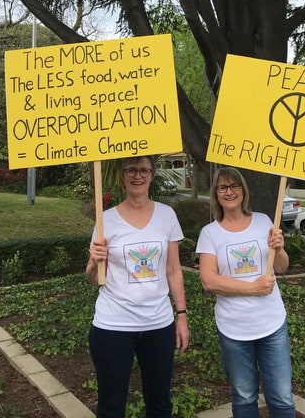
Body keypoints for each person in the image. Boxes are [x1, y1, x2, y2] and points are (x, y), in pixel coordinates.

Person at [86, 155, 189, 418]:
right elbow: (93, 278)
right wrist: (94, 262)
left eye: (144, 170)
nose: (137, 176)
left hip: (158, 324)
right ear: (123, 177)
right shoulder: (105, 220)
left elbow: (174, 270)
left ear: (152, 175)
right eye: (131, 170)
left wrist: (182, 316)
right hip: (113, 325)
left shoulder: (167, 215)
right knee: (111, 405)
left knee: (160, 403)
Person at [196, 166, 295, 418]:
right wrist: (253, 288)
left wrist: (279, 248)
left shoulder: (264, 221)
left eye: (234, 186)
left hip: (272, 324)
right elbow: (208, 280)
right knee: (244, 397)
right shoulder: (210, 233)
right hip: (234, 329)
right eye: (223, 187)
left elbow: (282, 267)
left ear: (243, 190)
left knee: (282, 398)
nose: (229, 192)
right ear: (216, 194)